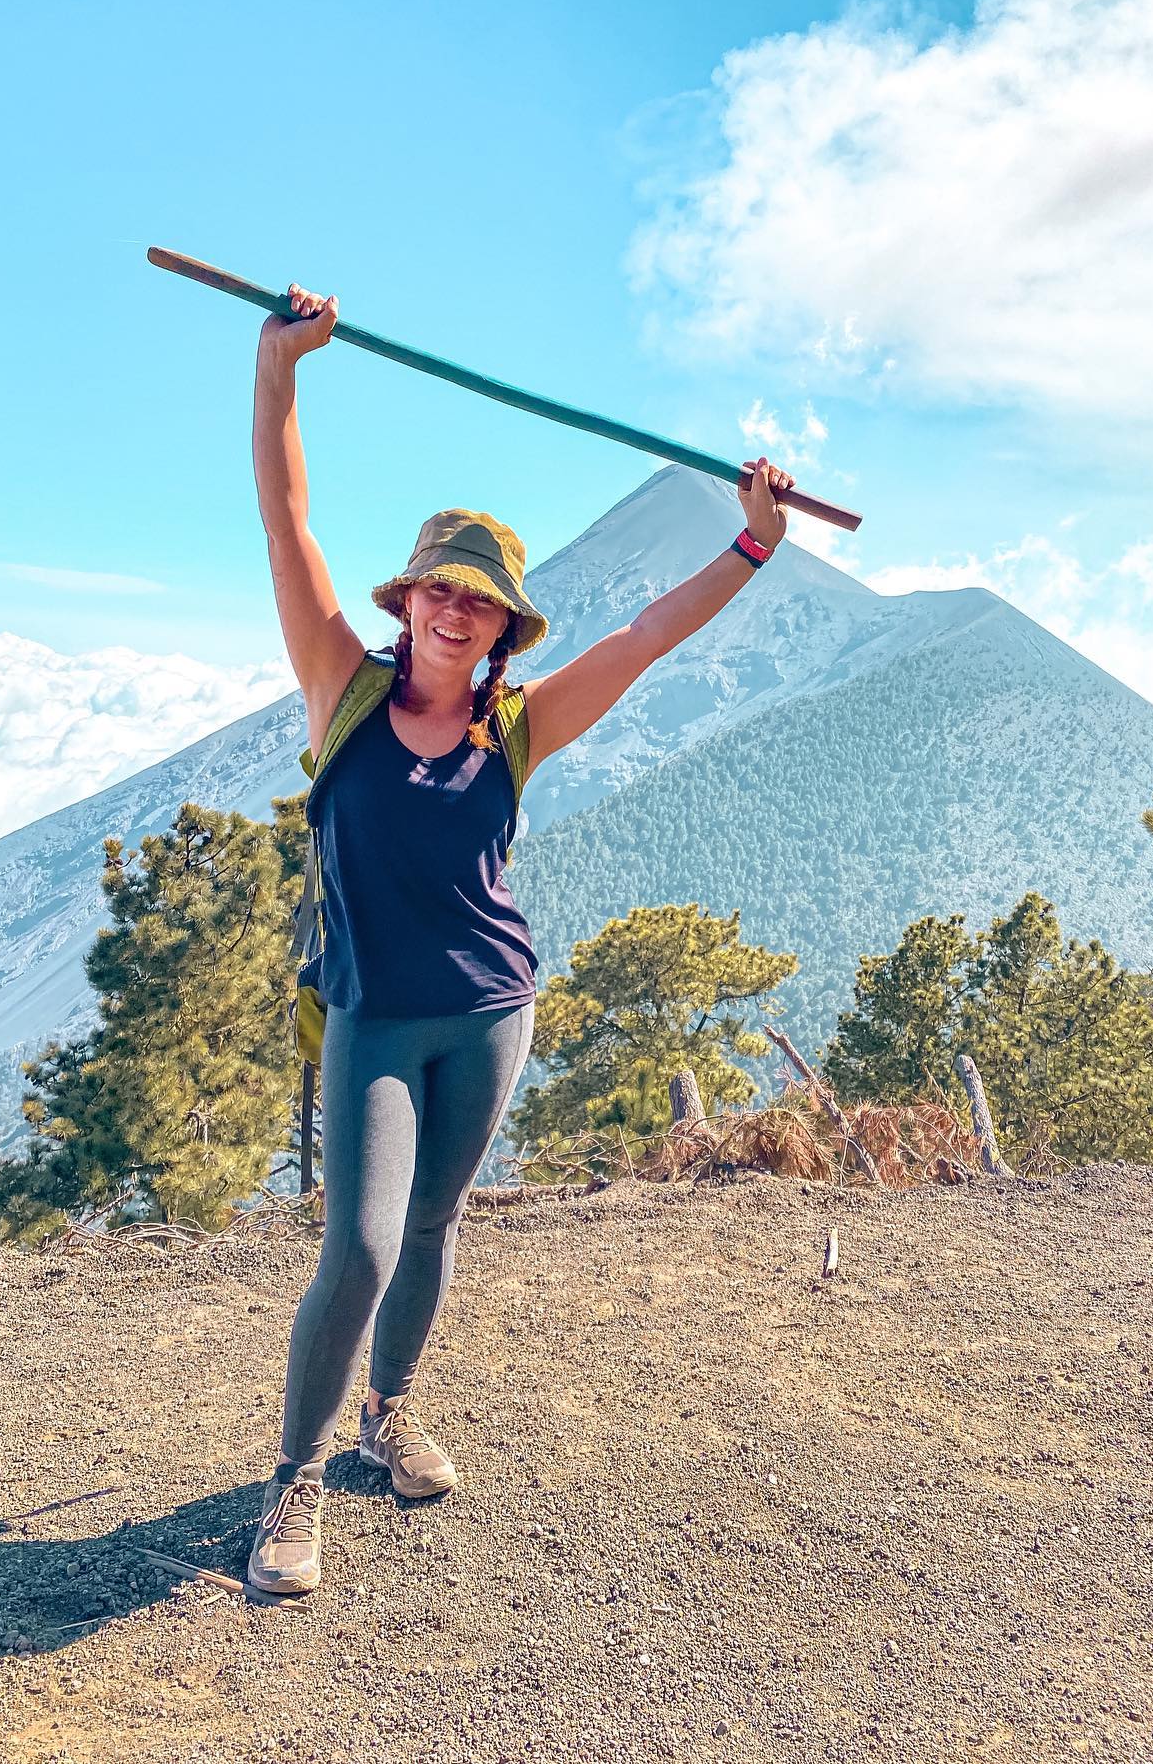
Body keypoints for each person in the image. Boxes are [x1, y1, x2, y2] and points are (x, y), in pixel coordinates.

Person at [246, 280, 796, 1594]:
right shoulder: (343, 689)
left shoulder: (522, 725)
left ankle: (389, 1415)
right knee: (363, 1244)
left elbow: (649, 636)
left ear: (500, 627)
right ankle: (293, 1485)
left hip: (492, 1009)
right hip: (376, 1018)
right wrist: (281, 370)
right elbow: (286, 515)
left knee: (435, 1227)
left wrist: (756, 543)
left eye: (478, 605)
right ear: (411, 600)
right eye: (439, 593)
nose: (453, 615)